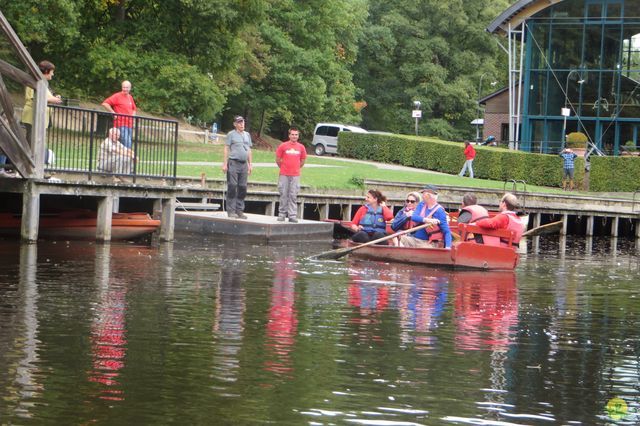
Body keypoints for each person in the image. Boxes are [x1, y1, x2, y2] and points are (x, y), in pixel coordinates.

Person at [20, 59, 63, 149]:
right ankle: (30, 162)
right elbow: (35, 97)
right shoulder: (34, 81)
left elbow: (45, 96)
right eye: (52, 72)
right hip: (32, 117)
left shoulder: (43, 83)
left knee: (37, 144)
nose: (53, 74)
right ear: (46, 71)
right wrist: (52, 99)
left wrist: (55, 98)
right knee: (32, 144)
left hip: (40, 118)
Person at [222, 115, 253, 219]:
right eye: (239, 122)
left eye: (243, 122)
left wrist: (250, 164)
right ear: (235, 124)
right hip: (233, 163)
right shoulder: (231, 134)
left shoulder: (247, 135)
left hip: (244, 164)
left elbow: (249, 150)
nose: (241, 124)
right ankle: (231, 210)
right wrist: (225, 163)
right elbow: (226, 148)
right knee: (232, 186)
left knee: (243, 187)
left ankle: (239, 210)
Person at [275, 127, 307, 223]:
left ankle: (292, 215)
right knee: (283, 194)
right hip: (284, 174)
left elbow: (303, 160)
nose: (294, 136)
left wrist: (296, 168)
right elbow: (277, 159)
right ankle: (282, 214)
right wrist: (283, 167)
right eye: (292, 134)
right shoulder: (283, 146)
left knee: (293, 195)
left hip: (295, 175)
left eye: (296, 135)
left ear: (298, 136)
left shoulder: (301, 147)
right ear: (289, 135)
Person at [102, 81, 137, 149]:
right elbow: (105, 103)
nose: (125, 89)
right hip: (120, 124)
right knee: (127, 143)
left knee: (126, 143)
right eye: (123, 87)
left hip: (129, 124)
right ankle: (129, 157)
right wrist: (113, 112)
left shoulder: (130, 97)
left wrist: (133, 117)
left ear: (130, 88)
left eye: (126, 87)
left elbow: (134, 109)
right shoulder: (117, 96)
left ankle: (124, 158)